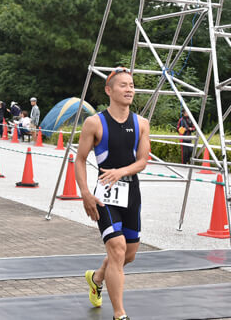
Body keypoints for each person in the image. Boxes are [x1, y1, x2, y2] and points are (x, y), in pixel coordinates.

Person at [75, 67, 150, 320]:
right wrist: (85, 193)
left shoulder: (141, 123)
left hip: (131, 193)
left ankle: (97, 278)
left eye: (132, 85)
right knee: (117, 249)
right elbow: (80, 159)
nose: (129, 89)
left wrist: (121, 172)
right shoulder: (95, 123)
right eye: (123, 85)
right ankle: (120, 314)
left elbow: (142, 161)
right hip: (105, 195)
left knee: (128, 254)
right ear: (109, 90)